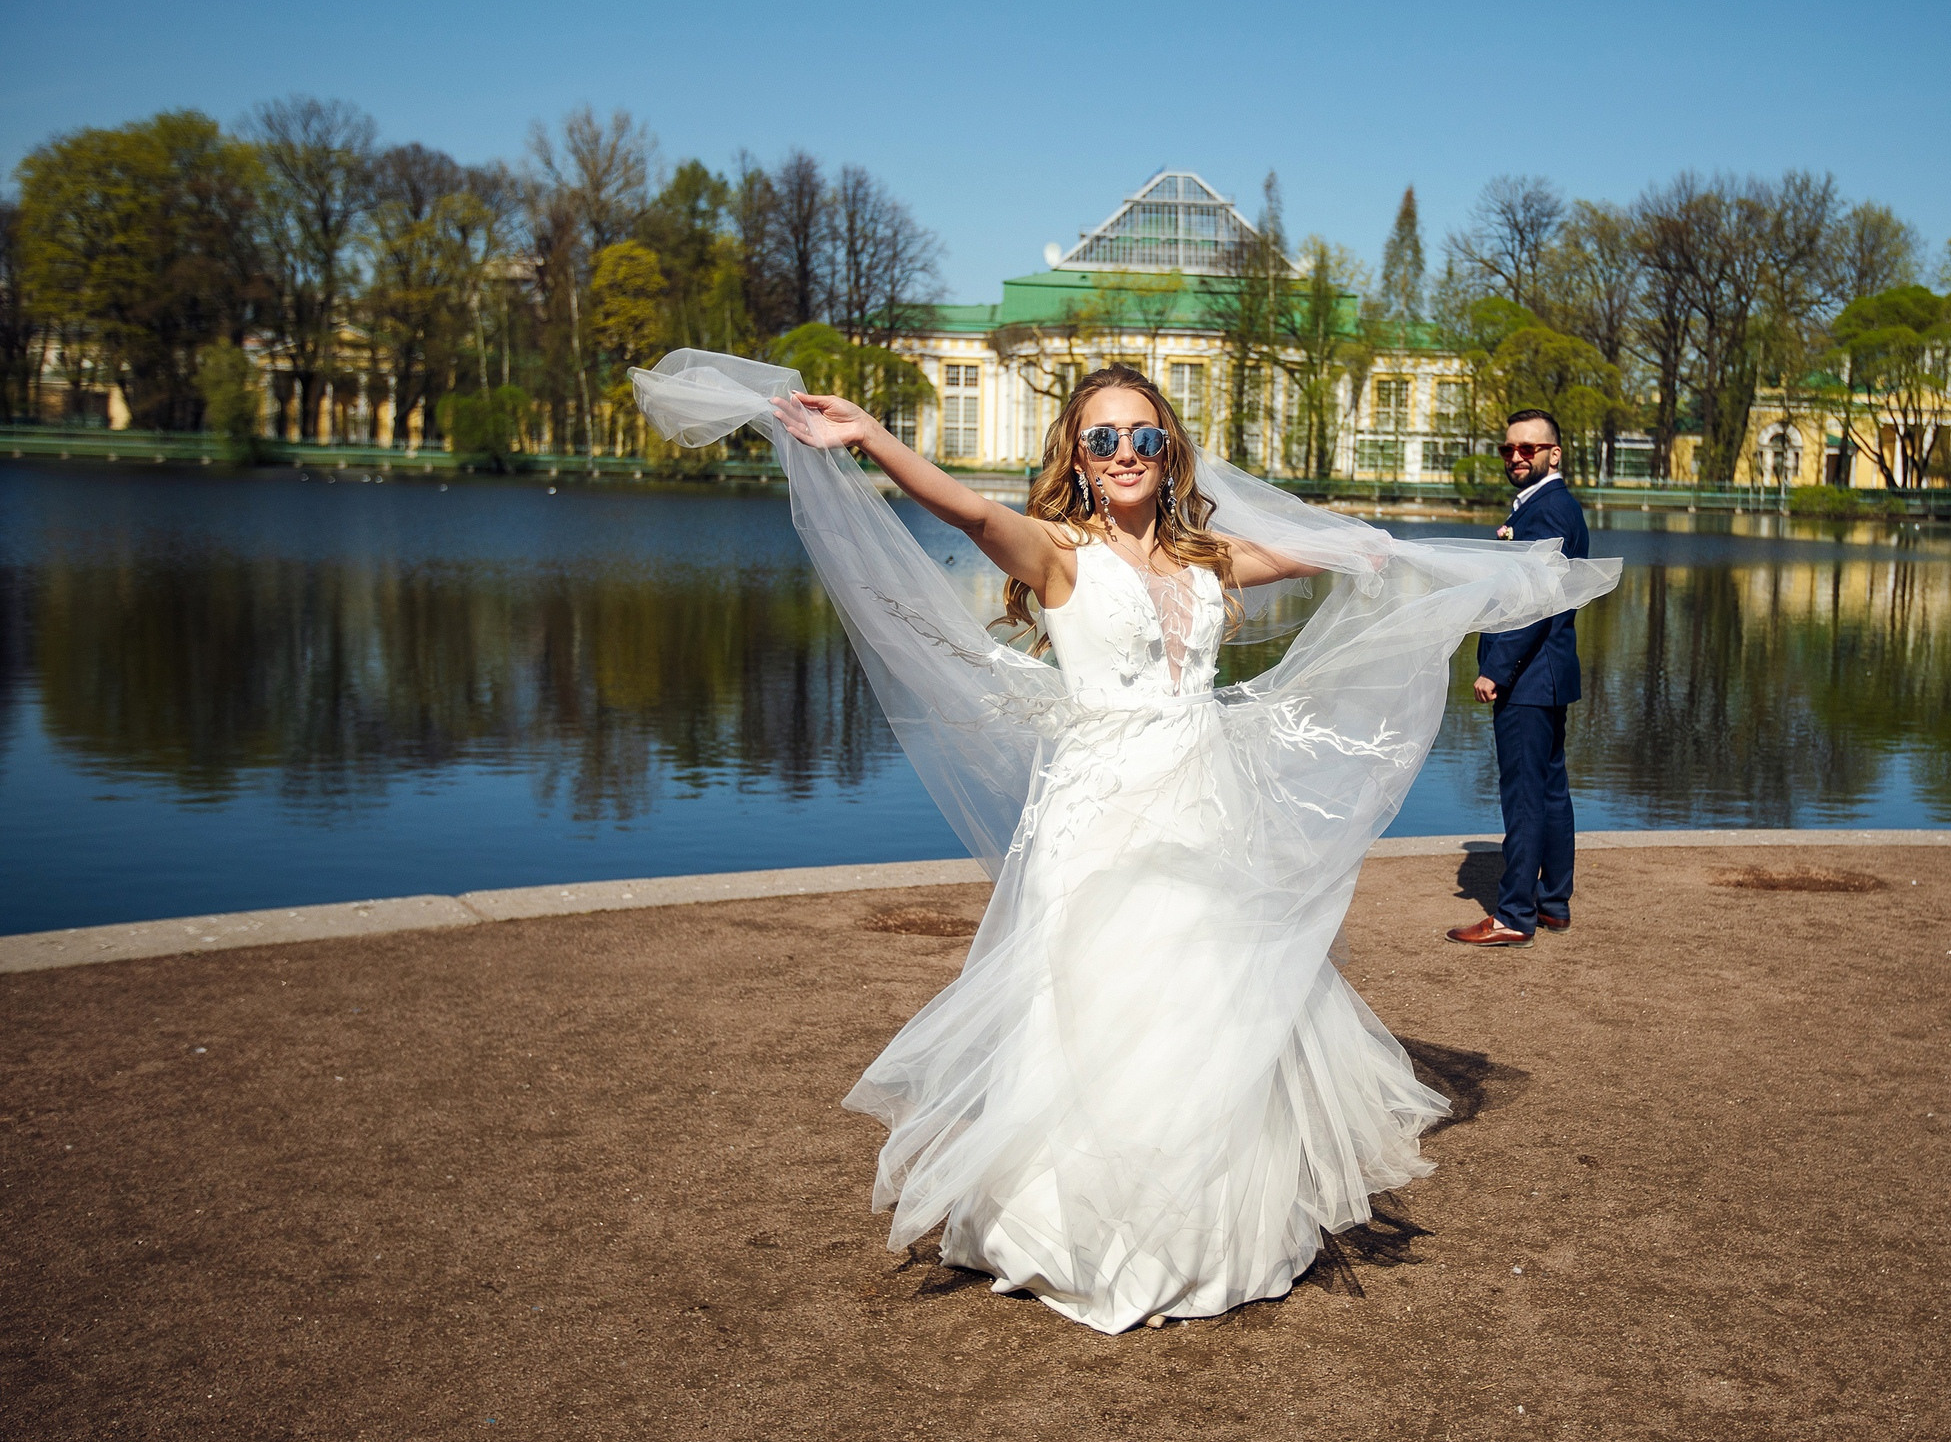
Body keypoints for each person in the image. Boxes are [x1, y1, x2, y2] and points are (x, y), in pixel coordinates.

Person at [629, 351, 1617, 1333]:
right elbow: (971, 516)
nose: (1124, 450)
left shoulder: (1204, 558)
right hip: (1101, 821)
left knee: (1206, 1012)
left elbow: (1300, 556)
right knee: (1105, 1012)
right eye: (1102, 436)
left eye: (1143, 434)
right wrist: (872, 437)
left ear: (1168, 451)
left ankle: (1209, 1235)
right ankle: (1085, 1235)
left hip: (1204, 812)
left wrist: (1370, 551)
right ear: (1079, 455)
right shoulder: (1058, 551)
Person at [1448, 409, 1589, 948]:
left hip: (1528, 675)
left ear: (1555, 454)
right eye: (1508, 450)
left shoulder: (1548, 511)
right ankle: (1553, 903)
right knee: (1550, 790)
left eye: (1528, 448)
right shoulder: (1545, 506)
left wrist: (1495, 669)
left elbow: (1537, 603)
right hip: (1548, 673)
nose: (1516, 457)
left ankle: (1512, 916)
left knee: (1525, 796)